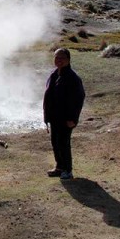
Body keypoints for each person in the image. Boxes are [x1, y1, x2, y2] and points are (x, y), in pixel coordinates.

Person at [43, 48, 85, 180]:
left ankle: (68, 170)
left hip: (66, 118)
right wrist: (47, 115)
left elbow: (78, 99)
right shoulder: (54, 74)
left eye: (61, 58)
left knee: (64, 143)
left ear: (68, 59)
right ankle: (59, 167)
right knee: (55, 142)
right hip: (54, 117)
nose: (58, 60)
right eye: (56, 57)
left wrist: (73, 118)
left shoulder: (73, 78)